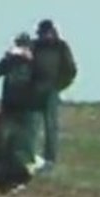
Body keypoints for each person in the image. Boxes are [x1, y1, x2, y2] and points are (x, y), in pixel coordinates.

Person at [0, 32, 43, 192]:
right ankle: (3, 170)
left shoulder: (34, 62)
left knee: (24, 142)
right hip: (9, 106)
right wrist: (8, 59)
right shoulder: (11, 61)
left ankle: (24, 171)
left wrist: (28, 58)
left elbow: (42, 77)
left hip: (26, 107)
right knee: (4, 140)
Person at [31, 19, 77, 170]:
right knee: (32, 126)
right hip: (34, 91)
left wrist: (58, 86)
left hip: (51, 92)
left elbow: (70, 70)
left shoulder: (61, 47)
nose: (44, 36)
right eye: (41, 33)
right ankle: (31, 158)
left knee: (51, 127)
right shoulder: (34, 46)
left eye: (46, 33)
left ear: (52, 32)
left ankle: (49, 160)